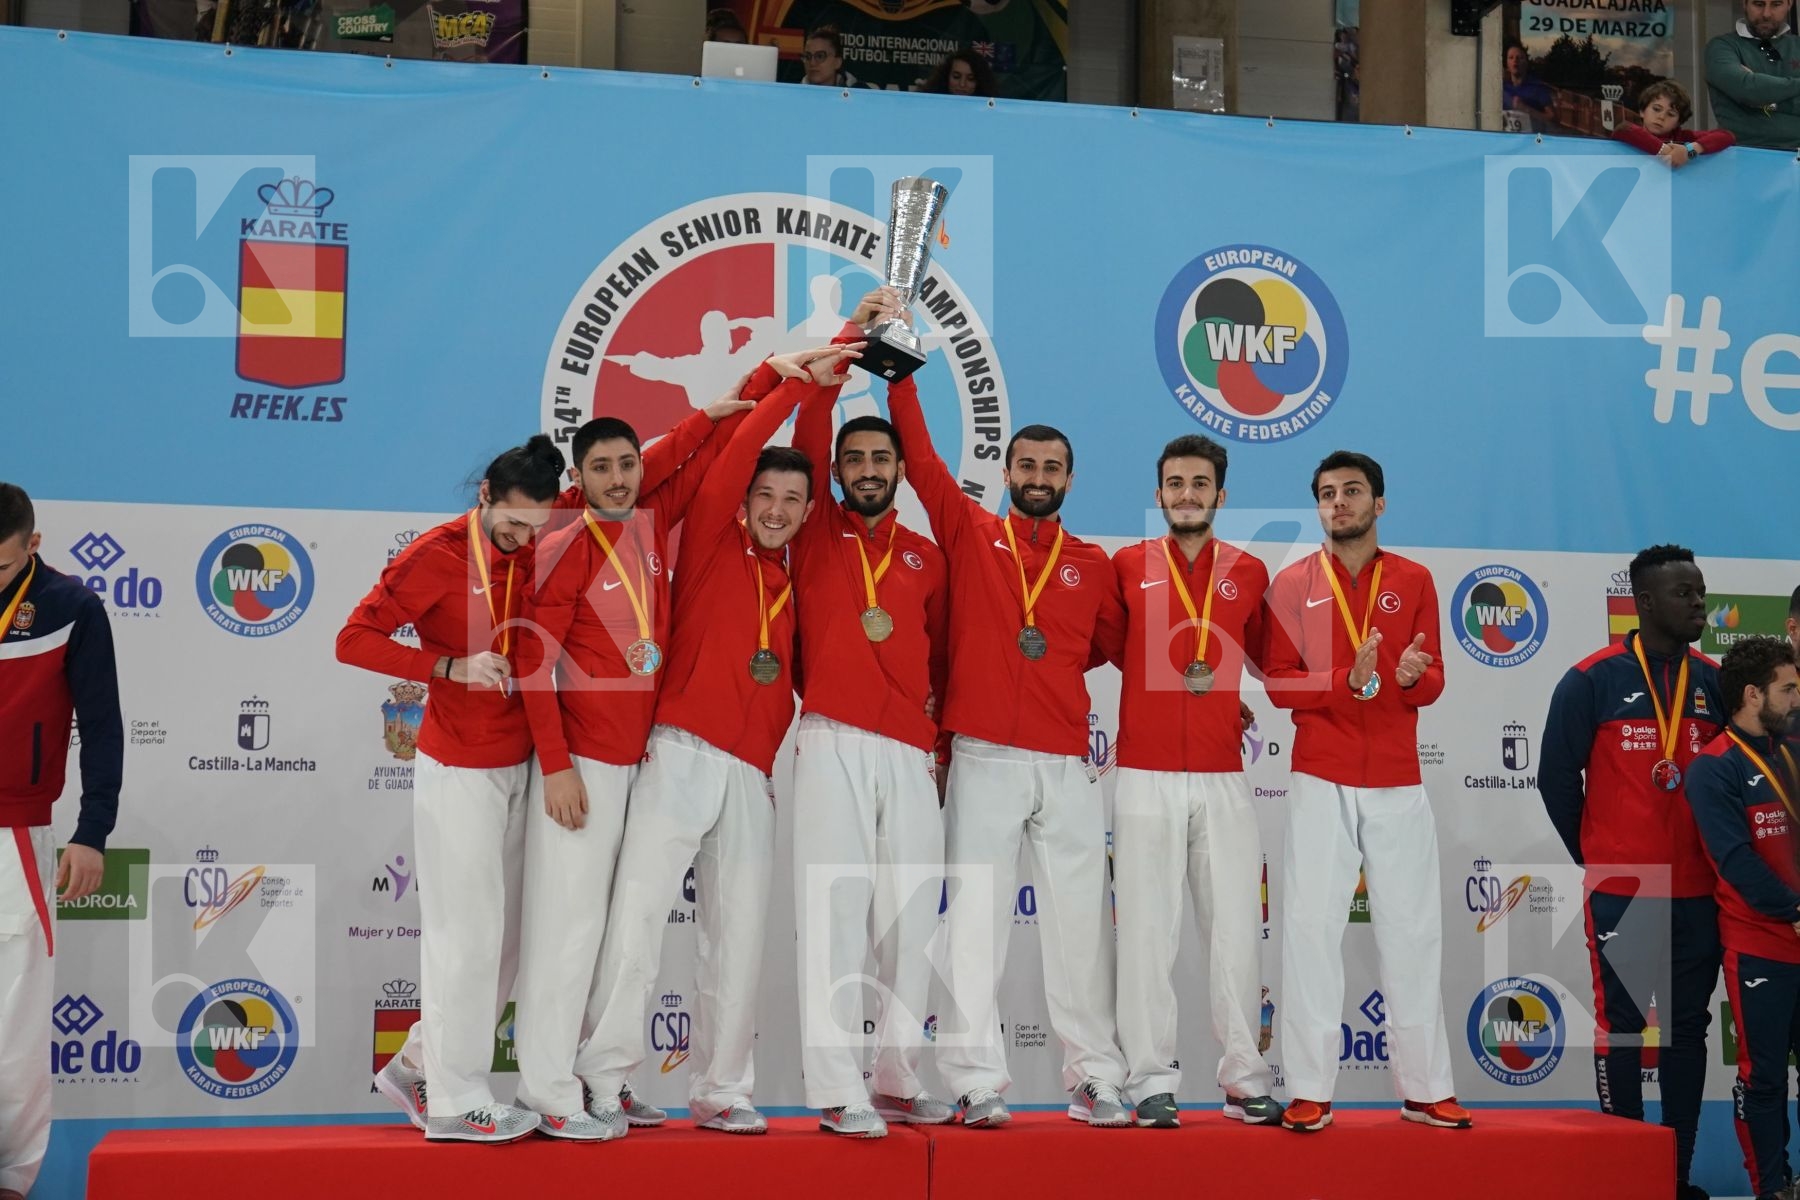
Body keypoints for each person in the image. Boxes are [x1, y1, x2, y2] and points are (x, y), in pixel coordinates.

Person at [573, 344, 858, 1135]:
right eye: (764, 495)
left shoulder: (801, 577)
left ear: (808, 512)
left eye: (792, 500)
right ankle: (604, 1075)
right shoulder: (703, 538)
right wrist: (790, 382)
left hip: (753, 774)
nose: (774, 509)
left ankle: (722, 1087)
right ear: (743, 501)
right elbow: (733, 453)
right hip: (681, 753)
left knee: (736, 937)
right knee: (636, 922)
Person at [882, 298, 1132, 1130]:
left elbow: (1110, 649)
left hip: (1065, 764)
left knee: (1079, 934)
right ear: (1008, 472)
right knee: (976, 929)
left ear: (1067, 479)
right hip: (985, 755)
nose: (1036, 476)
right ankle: (974, 1080)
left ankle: (1093, 1075)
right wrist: (902, 373)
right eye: (1025, 463)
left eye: (1051, 467)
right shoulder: (966, 528)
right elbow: (917, 459)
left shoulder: (1092, 566)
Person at [507, 386, 757, 1139]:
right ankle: (546, 1093)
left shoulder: (648, 522)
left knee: (613, 930)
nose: (618, 479)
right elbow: (530, 663)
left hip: (633, 767)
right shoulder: (563, 545)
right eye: (602, 469)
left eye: (626, 466)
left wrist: (724, 408)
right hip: (580, 766)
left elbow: (693, 457)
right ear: (577, 480)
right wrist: (556, 767)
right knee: (566, 933)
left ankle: (590, 1077)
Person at [340, 436, 566, 1143]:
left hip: (520, 765)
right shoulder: (433, 555)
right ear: (484, 497)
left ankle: (415, 1063)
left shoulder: (537, 548)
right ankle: (453, 1098)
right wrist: (447, 666)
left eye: (538, 526)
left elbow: (630, 463)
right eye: (514, 523)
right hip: (458, 768)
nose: (524, 539)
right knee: (462, 937)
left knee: (501, 945)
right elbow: (353, 638)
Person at [1261, 450, 1466, 1134]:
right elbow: (1278, 682)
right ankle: (1311, 1087)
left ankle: (1426, 1086)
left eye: (1352, 491)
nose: (1338, 502)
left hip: (1397, 779)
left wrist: (1409, 677)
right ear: (1317, 507)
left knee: (1413, 932)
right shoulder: (1293, 583)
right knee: (1311, 932)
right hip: (1320, 772)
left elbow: (1433, 681)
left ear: (1380, 503)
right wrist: (1343, 680)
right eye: (1327, 493)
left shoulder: (1414, 580)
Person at [787, 304, 951, 1139]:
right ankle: (835, 1083)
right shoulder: (813, 530)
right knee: (836, 912)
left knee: (911, 916)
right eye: (853, 458)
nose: (866, 466)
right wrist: (853, 347)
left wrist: (941, 743)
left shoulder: (928, 554)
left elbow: (947, 657)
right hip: (834, 741)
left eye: (879, 455)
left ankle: (894, 1073)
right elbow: (810, 430)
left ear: (897, 466)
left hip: (910, 752)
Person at [1108, 436, 1282, 1129]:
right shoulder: (1125, 566)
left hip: (1222, 777)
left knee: (1237, 933)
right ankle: (1150, 1080)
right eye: (1175, 483)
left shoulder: (1250, 569)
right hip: (1144, 774)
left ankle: (1245, 1077)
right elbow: (1084, 646)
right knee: (1147, 937)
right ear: (1159, 494)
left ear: (1221, 494)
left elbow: (1275, 659)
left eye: (1200, 483)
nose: (1187, 493)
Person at [1539, 544, 1723, 1200]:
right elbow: (1555, 779)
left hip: (1701, 890)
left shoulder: (1715, 683)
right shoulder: (1591, 679)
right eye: (1685, 594)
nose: (1699, 602)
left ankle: (1673, 1177)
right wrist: (1598, 857)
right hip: (1625, 890)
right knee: (1623, 1027)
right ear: (1644, 603)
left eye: (1701, 591)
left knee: (1687, 1030)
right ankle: (1625, 1179)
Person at [0, 482, 121, 1199]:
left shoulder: (73, 608)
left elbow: (101, 726)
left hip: (14, 830)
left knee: (13, 1016)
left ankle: (12, 1179)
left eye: (1, 564)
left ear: (33, 546)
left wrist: (92, 829)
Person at [1686, 636, 1800, 1200]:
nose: (1797, 698)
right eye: (1788, 688)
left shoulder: (1792, 750)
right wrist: (1794, 911)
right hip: (1762, 946)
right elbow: (1733, 861)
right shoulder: (1713, 768)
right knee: (1764, 1079)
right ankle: (1772, 1187)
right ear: (1754, 695)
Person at [1705, 0, 1800, 151]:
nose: (1766, 14)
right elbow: (1748, 90)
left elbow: (1755, 91)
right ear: (1744, 4)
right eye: (1758, 4)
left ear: (1789, 5)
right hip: (1741, 156)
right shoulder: (1721, 47)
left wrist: (1766, 99)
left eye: (1776, 4)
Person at [1614, 81, 1735, 166]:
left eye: (1671, 114)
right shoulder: (1632, 133)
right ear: (1642, 111)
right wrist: (1667, 153)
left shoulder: (1683, 138)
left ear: (1678, 122)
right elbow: (1624, 129)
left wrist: (1689, 151)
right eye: (1656, 109)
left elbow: (1726, 135)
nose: (1661, 117)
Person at [1503, 42, 1555, 131]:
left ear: (1526, 63)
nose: (1515, 60)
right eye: (1511, 58)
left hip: (1532, 139)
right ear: (1507, 64)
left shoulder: (1538, 88)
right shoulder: (1501, 88)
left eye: (1520, 58)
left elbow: (1552, 119)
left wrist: (1526, 109)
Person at [800, 24, 867, 88]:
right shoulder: (792, 94)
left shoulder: (862, 93)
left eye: (820, 56)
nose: (812, 63)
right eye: (807, 56)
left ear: (837, 62)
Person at [921, 49, 996, 96]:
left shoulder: (991, 109)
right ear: (946, 77)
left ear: (980, 82)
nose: (962, 84)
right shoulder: (928, 104)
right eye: (956, 77)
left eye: (971, 79)